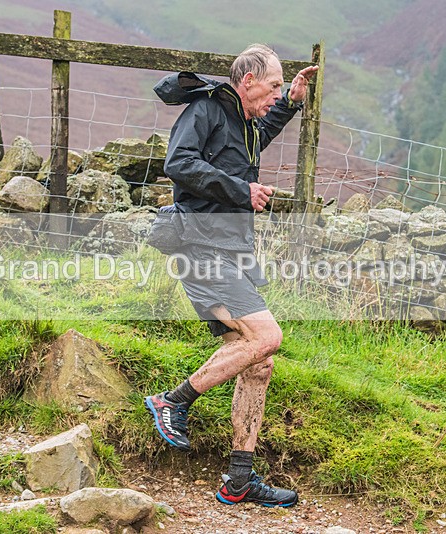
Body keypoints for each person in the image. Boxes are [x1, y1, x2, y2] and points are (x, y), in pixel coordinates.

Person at [145, 44, 318, 508]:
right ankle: (173, 401)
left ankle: (239, 479)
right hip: (200, 247)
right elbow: (178, 163)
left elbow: (258, 135)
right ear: (247, 82)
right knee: (266, 336)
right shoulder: (205, 109)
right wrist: (241, 189)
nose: (276, 90)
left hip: (230, 250)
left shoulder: (243, 121)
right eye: (274, 85)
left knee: (258, 361)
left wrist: (292, 102)